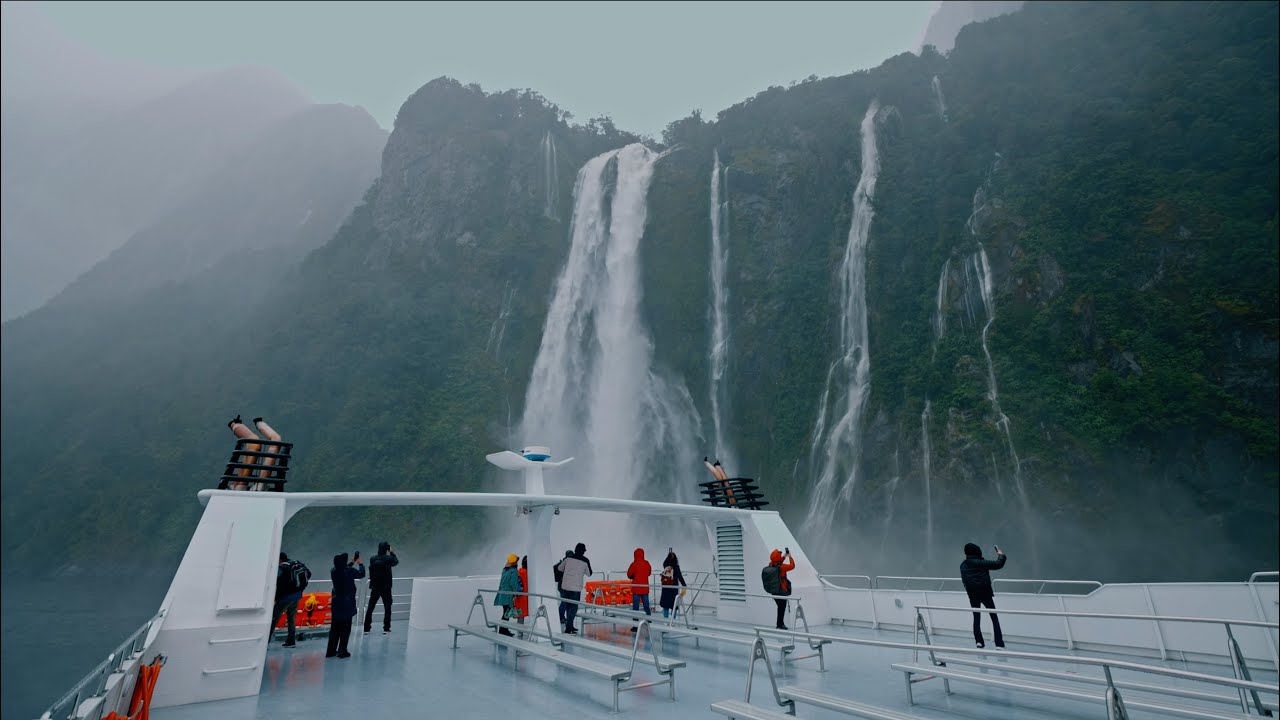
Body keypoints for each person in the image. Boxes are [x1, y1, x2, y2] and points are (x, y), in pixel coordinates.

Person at [961, 543, 1007, 648]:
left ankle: (979, 641)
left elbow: (964, 581)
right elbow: (998, 564)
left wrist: (969, 591)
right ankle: (999, 643)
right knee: (994, 617)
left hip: (972, 595)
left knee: (976, 618)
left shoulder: (963, 565)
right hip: (986, 594)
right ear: (977, 551)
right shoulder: (980, 562)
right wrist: (1001, 555)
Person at [327, 551, 365, 658]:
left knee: (334, 628)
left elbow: (343, 568)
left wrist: (352, 562)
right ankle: (342, 651)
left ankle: (331, 651)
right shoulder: (350, 571)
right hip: (347, 604)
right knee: (345, 628)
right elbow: (361, 574)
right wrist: (360, 564)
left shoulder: (333, 570)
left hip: (336, 603)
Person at [271, 552, 310, 647]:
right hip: (297, 595)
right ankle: (291, 641)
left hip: (285, 597)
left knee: (273, 618)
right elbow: (309, 574)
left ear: (280, 559)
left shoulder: (282, 567)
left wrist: (276, 596)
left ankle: (265, 641)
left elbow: (276, 580)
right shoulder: (296, 564)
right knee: (291, 618)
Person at [363, 541, 399, 634]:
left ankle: (366, 627)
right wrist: (392, 552)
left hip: (375, 586)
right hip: (386, 587)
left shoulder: (373, 558)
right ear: (386, 549)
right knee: (387, 607)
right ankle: (386, 628)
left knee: (370, 607)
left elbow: (371, 569)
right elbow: (396, 562)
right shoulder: (388, 558)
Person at [558, 542, 592, 634]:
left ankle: (570, 626)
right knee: (573, 608)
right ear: (583, 551)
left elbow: (560, 568)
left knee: (568, 606)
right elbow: (589, 573)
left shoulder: (568, 558)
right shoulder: (585, 560)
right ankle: (569, 628)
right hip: (575, 588)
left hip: (565, 587)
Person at [763, 548, 795, 629]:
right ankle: (780, 625)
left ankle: (779, 624)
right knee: (782, 607)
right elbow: (792, 566)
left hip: (774, 590)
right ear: (777, 557)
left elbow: (778, 562)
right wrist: (790, 557)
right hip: (781, 591)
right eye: (779, 555)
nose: (781, 556)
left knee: (780, 607)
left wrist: (784, 556)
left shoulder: (771, 564)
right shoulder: (782, 567)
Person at [626, 547, 652, 631]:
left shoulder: (634, 564)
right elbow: (649, 573)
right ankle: (649, 622)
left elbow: (629, 574)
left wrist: (634, 576)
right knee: (646, 606)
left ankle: (635, 625)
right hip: (645, 588)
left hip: (637, 588)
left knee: (636, 607)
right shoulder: (647, 563)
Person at [495, 554, 521, 636]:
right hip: (508, 594)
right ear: (515, 562)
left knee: (505, 612)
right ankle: (503, 631)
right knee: (507, 613)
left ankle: (503, 630)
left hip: (503, 593)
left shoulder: (505, 570)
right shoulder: (514, 571)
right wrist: (515, 594)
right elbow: (513, 583)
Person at [658, 549, 688, 619]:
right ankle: (673, 620)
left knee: (666, 605)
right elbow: (680, 576)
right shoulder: (676, 567)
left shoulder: (665, 565)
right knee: (674, 605)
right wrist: (684, 585)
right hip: (673, 588)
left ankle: (665, 620)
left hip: (666, 588)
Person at [554, 549, 573, 630]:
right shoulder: (565, 564)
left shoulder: (565, 563)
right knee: (564, 602)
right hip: (563, 587)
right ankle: (560, 616)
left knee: (565, 602)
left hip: (564, 586)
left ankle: (562, 617)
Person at [513, 556, 529, 629]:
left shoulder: (519, 572)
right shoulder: (529, 574)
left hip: (520, 597)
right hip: (528, 597)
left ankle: (520, 632)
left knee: (520, 615)